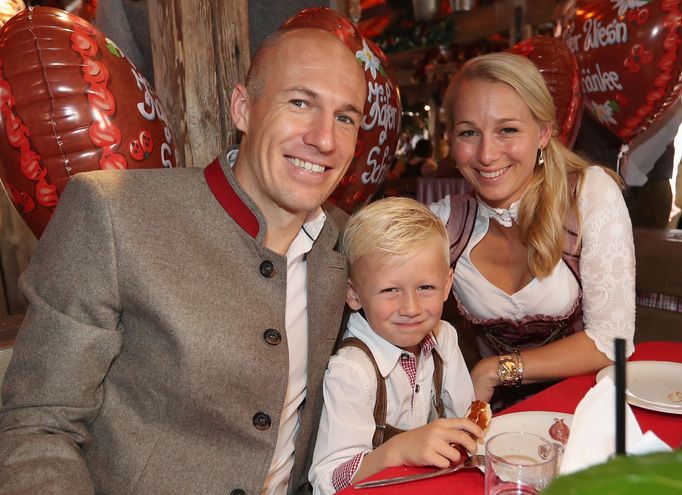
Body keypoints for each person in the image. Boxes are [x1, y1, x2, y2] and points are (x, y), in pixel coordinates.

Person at [0, 27, 367, 495]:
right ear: (243, 109)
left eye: (345, 118)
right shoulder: (114, 214)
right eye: (300, 103)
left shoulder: (342, 239)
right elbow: (37, 428)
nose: (324, 139)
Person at [432, 52, 635, 407]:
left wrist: (496, 369)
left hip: (588, 408)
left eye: (507, 130)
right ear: (451, 139)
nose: (486, 154)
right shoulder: (445, 222)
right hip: (498, 420)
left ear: (543, 133)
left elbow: (612, 340)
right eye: (468, 133)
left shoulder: (589, 194)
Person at [309, 197, 481, 494]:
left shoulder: (445, 338)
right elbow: (326, 480)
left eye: (425, 287)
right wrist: (394, 451)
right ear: (354, 295)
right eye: (390, 290)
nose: (411, 308)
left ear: (447, 284)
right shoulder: (353, 371)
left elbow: (463, 421)